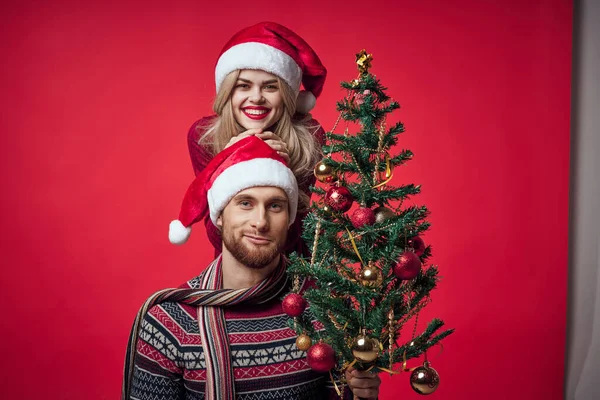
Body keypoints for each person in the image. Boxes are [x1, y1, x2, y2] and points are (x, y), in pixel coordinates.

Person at [122, 137, 381, 400]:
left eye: (275, 206)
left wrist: (361, 395)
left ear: (289, 219)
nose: (260, 222)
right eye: (246, 203)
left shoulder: (325, 308)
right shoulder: (169, 323)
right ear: (220, 215)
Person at [186, 21, 328, 257]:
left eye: (270, 87)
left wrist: (285, 172)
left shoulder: (309, 137)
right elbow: (217, 237)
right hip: (235, 267)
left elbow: (294, 236)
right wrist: (226, 167)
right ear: (228, 93)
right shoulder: (204, 137)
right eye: (243, 86)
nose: (256, 98)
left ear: (287, 95)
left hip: (292, 269)